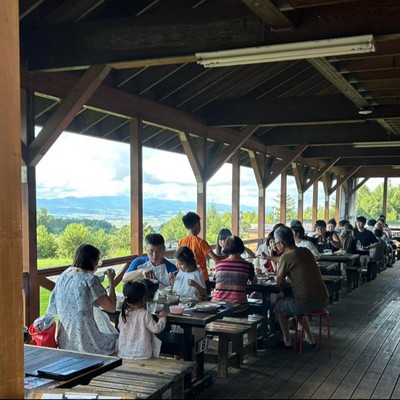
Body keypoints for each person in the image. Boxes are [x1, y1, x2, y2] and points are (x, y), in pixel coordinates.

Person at [47, 244, 118, 355]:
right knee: (117, 340)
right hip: (87, 344)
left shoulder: (63, 275)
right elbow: (112, 307)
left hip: (65, 342)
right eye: (98, 261)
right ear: (92, 261)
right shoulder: (90, 280)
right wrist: (111, 281)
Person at [274, 226, 329, 348]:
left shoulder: (286, 257)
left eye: (276, 243)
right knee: (294, 300)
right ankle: (310, 338)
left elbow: (278, 282)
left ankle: (287, 341)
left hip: (305, 303)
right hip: (323, 300)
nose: (276, 246)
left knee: (279, 305)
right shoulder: (306, 251)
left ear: (282, 244)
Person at [118, 281, 167, 360]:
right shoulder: (144, 314)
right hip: (142, 354)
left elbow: (120, 327)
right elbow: (156, 329)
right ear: (143, 298)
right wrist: (162, 318)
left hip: (124, 353)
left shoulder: (123, 314)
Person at [211, 235, 257, 317]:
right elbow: (254, 282)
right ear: (241, 248)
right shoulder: (247, 265)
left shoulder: (219, 264)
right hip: (238, 308)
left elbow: (216, 280)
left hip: (217, 306)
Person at [178, 212, 223, 282]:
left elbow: (178, 261)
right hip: (201, 278)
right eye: (199, 224)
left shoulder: (181, 242)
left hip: (187, 277)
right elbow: (216, 258)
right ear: (196, 224)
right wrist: (229, 256)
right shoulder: (201, 242)